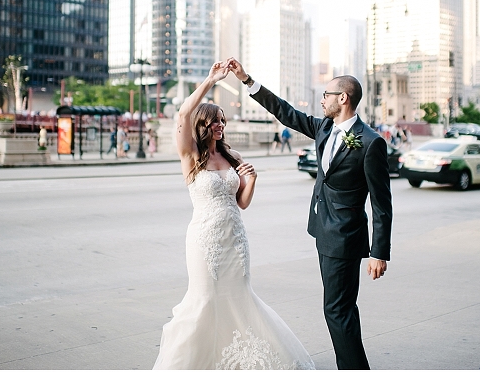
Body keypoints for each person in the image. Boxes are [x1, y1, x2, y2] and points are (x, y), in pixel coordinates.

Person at [227, 57, 392, 370]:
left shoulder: (371, 143)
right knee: (339, 309)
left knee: (337, 310)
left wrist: (379, 252)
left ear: (343, 98)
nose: (322, 99)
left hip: (345, 237)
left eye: (327, 94)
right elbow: (286, 113)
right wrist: (248, 80)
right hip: (323, 232)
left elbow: (382, 203)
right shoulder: (324, 127)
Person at [153, 61, 314, 370]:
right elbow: (182, 114)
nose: (220, 125)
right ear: (203, 124)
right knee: (205, 298)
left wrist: (251, 181)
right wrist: (211, 79)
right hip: (204, 239)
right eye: (215, 121)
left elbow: (241, 203)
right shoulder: (190, 157)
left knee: (238, 295)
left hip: (235, 238)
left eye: (222, 120)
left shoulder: (232, 156)